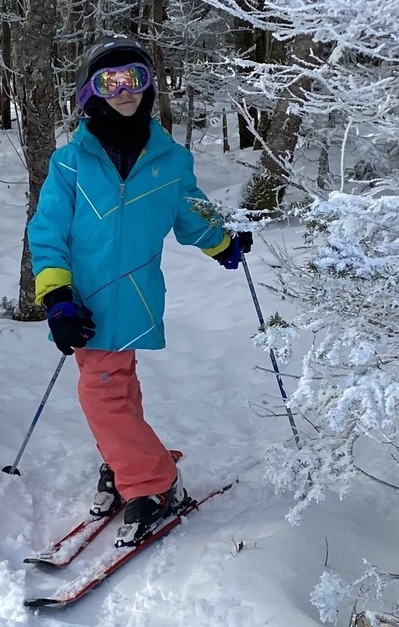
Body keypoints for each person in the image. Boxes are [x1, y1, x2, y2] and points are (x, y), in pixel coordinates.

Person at [27, 36, 252, 547]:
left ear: (150, 87)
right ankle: (135, 467)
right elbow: (47, 232)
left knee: (112, 389)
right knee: (107, 390)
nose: (125, 91)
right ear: (91, 92)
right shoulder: (70, 163)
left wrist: (222, 241)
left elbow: (190, 212)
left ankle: (151, 482)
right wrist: (56, 296)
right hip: (84, 303)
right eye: (111, 82)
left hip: (140, 297)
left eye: (136, 78)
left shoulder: (170, 160)